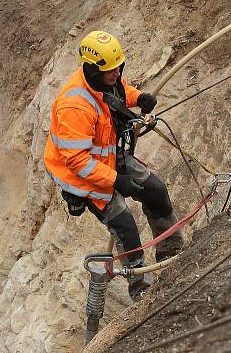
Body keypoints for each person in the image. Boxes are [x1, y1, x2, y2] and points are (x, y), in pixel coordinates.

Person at [43, 30, 183, 301]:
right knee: (125, 226)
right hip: (81, 175)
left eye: (119, 68)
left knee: (155, 190)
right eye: (110, 71)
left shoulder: (106, 77)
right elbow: (78, 161)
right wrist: (117, 181)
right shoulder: (75, 106)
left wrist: (137, 98)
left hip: (108, 159)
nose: (116, 74)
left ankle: (171, 253)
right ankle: (143, 290)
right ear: (92, 69)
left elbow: (117, 93)